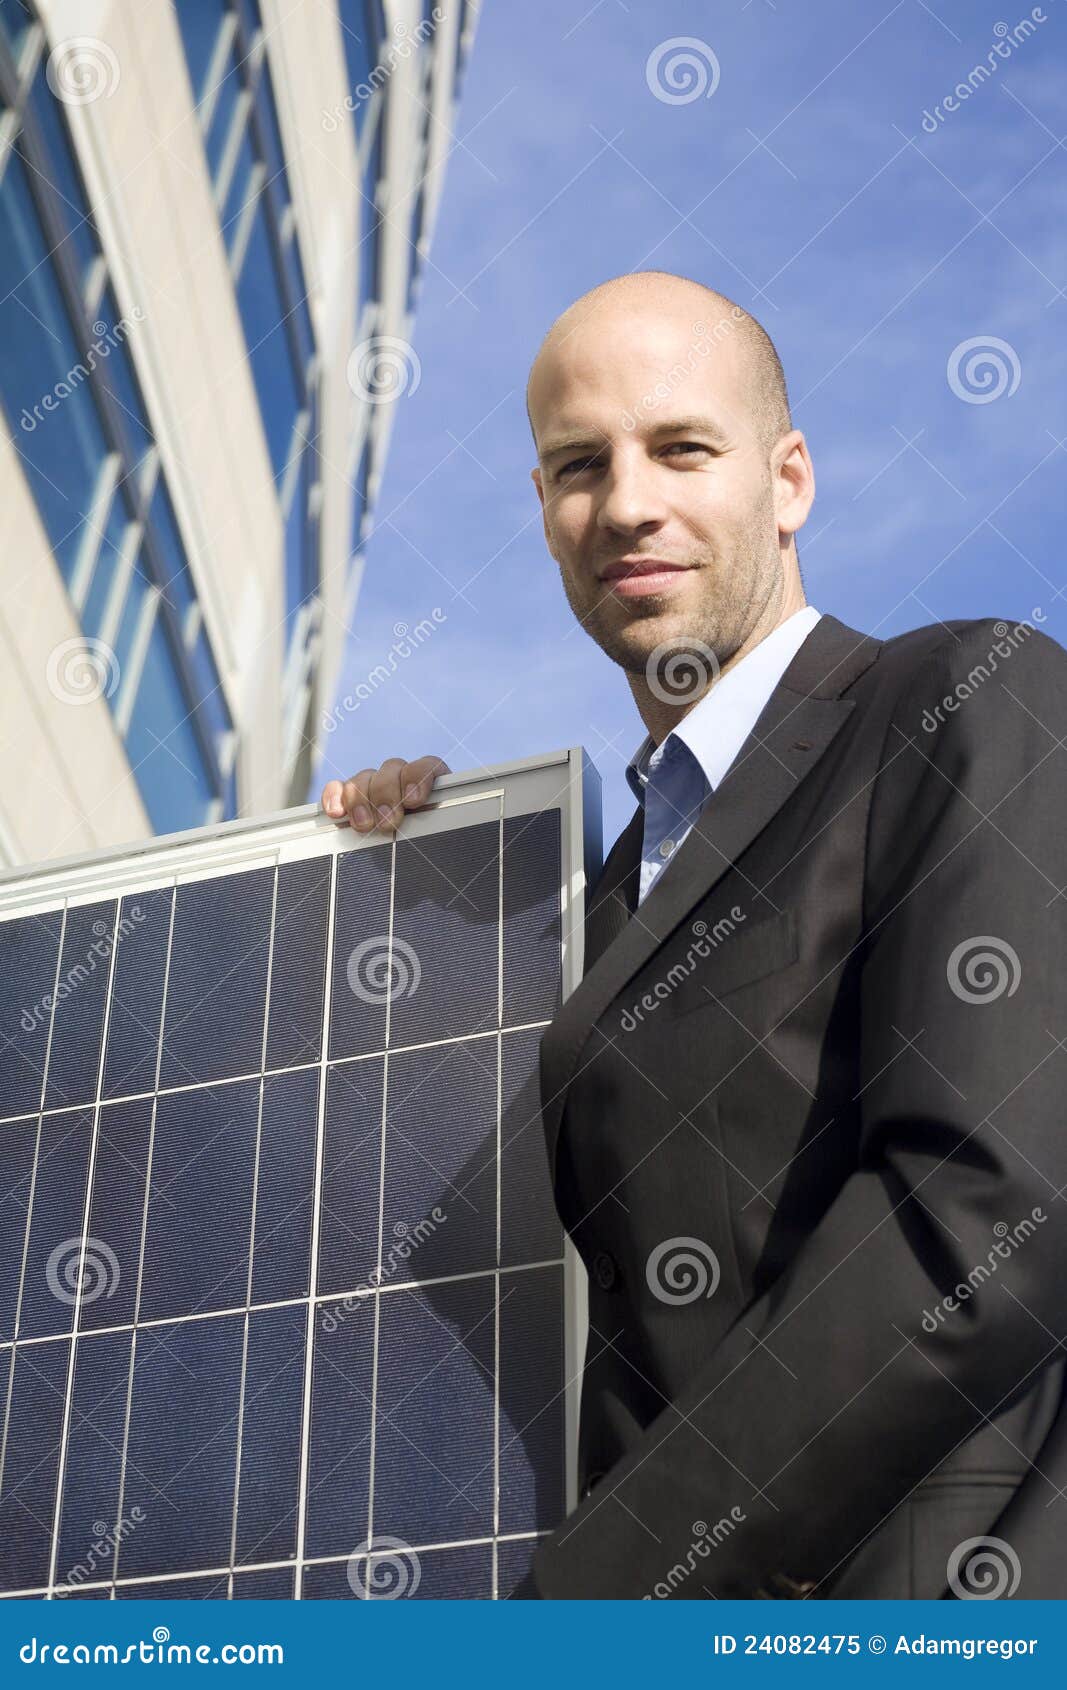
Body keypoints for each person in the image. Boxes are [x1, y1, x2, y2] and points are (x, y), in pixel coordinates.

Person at [321, 271, 1067, 1600]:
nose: (626, 504)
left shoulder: (966, 698)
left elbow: (987, 1217)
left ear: (788, 482)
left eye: (680, 448)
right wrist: (399, 875)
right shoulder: (599, 904)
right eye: (576, 466)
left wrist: (591, 1605)